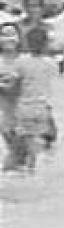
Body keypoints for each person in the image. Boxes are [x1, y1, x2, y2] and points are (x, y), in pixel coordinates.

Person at [15, 27, 58, 170]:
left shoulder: (21, 62)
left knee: (28, 143)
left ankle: (30, 167)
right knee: (48, 140)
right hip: (43, 107)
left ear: (26, 42)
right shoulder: (51, 63)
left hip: (24, 107)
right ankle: (41, 165)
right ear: (46, 43)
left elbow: (15, 84)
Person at [0, 23, 25, 170]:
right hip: (5, 112)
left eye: (12, 34)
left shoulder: (26, 60)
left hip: (25, 112)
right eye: (4, 34)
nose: (8, 38)